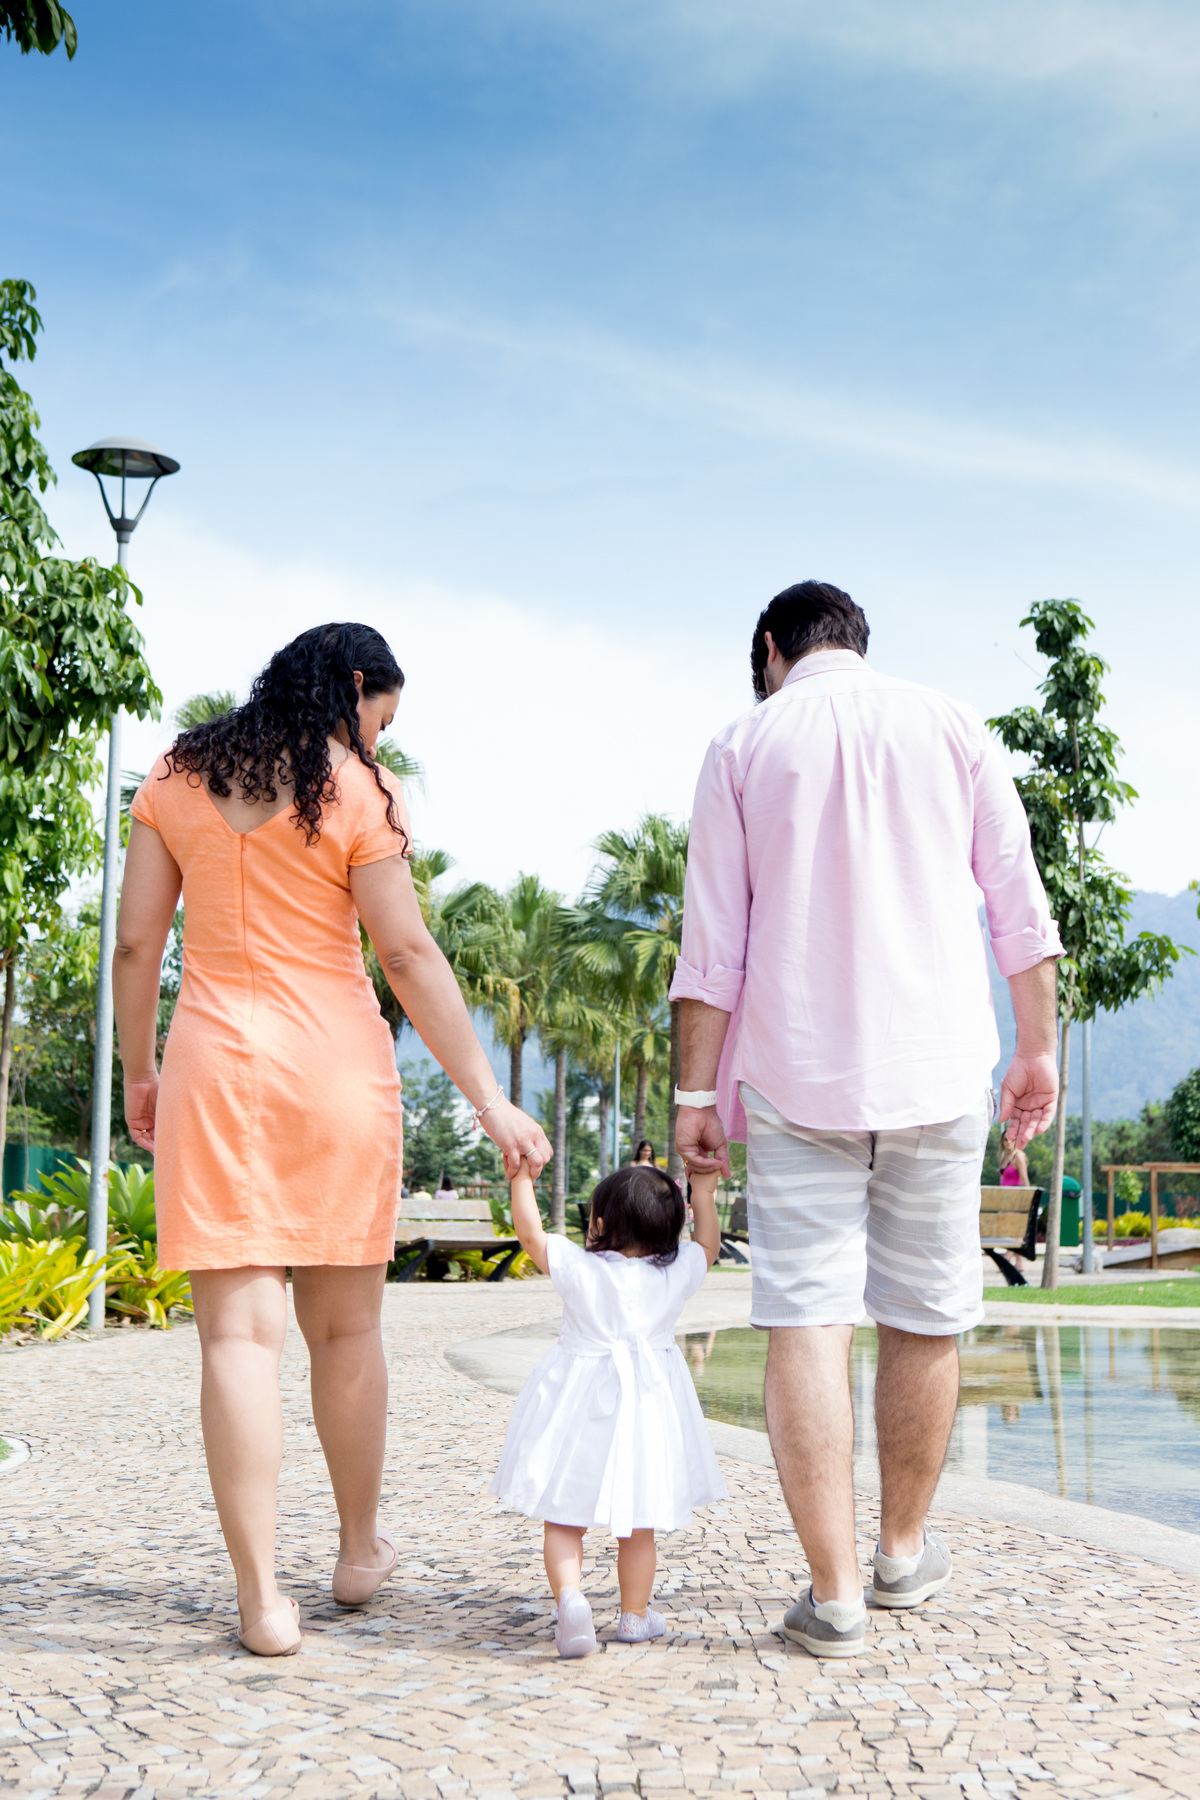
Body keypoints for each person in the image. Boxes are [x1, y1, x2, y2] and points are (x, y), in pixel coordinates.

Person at [114, 622, 551, 1658]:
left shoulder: (175, 776)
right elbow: (403, 948)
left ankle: (262, 1598)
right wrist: (491, 1101)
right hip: (340, 1073)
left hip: (217, 1068)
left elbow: (137, 942)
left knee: (236, 1340)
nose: (376, 738)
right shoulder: (358, 790)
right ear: (353, 687)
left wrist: (143, 1070)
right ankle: (358, 1553)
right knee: (347, 1334)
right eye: (379, 716)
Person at [670, 580, 1062, 1659]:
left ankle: (833, 1595)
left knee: (805, 1316)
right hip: (940, 1068)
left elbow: (714, 945)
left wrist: (694, 1097)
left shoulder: (742, 744)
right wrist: (1038, 1050)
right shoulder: (951, 724)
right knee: (926, 1312)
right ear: (858, 643)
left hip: (797, 1076)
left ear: (770, 649)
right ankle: (901, 1551)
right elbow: (1019, 908)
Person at [490, 1158, 727, 1656]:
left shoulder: (581, 1268)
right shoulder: (674, 1275)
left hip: (579, 1408)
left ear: (599, 1224)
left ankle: (571, 1600)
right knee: (639, 1525)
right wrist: (702, 1191)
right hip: (646, 1410)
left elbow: (530, 1235)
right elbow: (708, 1246)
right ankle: (634, 1617)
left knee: (563, 1515)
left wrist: (521, 1178)